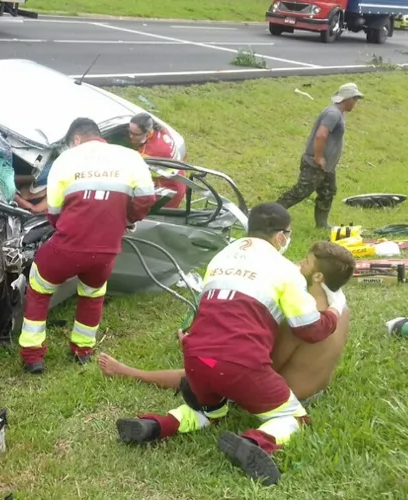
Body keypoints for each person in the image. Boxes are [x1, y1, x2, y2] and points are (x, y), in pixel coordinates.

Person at [114, 203, 347, 487]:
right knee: (293, 418)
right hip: (240, 364)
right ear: (280, 237)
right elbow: (310, 329)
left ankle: (156, 425)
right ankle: (255, 442)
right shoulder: (286, 271)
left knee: (207, 411)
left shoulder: (222, 256)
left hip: (197, 358)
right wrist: (334, 310)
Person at [99, 240, 356, 405]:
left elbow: (263, 364)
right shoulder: (339, 308)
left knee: (210, 365)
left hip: (286, 395)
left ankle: (129, 372)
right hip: (316, 389)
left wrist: (201, 346)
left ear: (318, 275)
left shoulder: (300, 319)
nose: (298, 265)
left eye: (306, 263)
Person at [18, 117, 158, 372]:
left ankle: (33, 356)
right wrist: (126, 220)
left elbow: (54, 210)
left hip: (67, 247)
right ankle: (82, 349)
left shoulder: (66, 160)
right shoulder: (130, 158)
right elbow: (146, 199)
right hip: (106, 250)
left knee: (39, 288)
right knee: (93, 294)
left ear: (77, 139)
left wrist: (69, 227)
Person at [275, 83, 364, 229]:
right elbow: (321, 135)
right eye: (355, 99)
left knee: (327, 192)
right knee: (300, 192)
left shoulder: (338, 113)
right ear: (347, 98)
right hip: (315, 164)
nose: (356, 103)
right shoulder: (333, 114)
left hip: (327, 167)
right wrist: (318, 157)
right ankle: (269, 214)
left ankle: (322, 225)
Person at [128, 112, 187, 209]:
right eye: (129, 131)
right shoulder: (161, 130)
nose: (131, 136)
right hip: (178, 179)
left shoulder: (150, 152)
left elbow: (132, 173)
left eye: (135, 134)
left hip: (168, 191)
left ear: (146, 133)